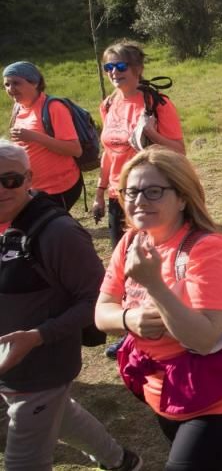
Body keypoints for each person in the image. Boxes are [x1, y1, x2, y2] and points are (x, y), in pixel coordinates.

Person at [96, 146, 222, 470]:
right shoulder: (132, 241)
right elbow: (101, 311)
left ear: (183, 198)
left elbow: (203, 338)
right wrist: (128, 319)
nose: (139, 201)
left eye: (154, 191)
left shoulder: (207, 249)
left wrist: (154, 285)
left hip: (219, 395)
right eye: (131, 191)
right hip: (166, 391)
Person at [0, 139, 141, 471]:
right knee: (62, 416)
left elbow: (96, 299)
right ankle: (120, 461)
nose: (2, 190)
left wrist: (37, 336)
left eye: (11, 180)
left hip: (40, 368)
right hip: (9, 367)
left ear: (29, 178)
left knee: (23, 461)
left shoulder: (57, 233)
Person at [94, 41, 186, 360]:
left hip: (150, 195)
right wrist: (99, 191)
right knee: (127, 263)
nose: (115, 73)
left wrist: (151, 133)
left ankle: (164, 316)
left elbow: (179, 151)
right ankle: (134, 323)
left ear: (137, 69)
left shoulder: (156, 103)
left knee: (151, 257)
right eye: (109, 68)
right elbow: (109, 152)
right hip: (118, 195)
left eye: (121, 67)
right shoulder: (108, 104)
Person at [3, 61, 84, 211]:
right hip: (32, 187)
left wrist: (34, 136)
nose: (10, 89)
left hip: (58, 187)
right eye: (7, 85)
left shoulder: (54, 107)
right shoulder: (18, 108)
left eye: (16, 83)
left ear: (34, 83)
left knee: (51, 228)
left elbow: (75, 150)